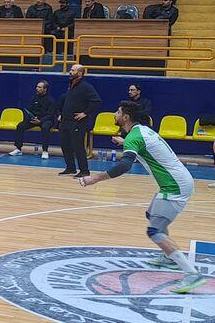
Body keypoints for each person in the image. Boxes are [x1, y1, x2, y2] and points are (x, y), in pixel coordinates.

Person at [77, 101, 204, 294]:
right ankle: (168, 257)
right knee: (151, 215)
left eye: (118, 111)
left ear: (125, 117)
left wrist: (95, 178)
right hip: (177, 181)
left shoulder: (134, 137)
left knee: (155, 231)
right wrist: (124, 143)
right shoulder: (141, 131)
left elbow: (124, 166)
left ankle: (192, 274)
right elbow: (144, 147)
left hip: (174, 186)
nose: (115, 113)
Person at [58, 63, 100, 178]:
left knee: (78, 146)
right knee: (65, 145)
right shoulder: (71, 85)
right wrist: (61, 114)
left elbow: (96, 101)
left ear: (80, 73)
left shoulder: (86, 87)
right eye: (71, 70)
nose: (70, 72)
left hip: (77, 123)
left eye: (73, 70)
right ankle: (70, 168)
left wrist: (85, 113)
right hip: (65, 121)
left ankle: (84, 170)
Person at [9, 80, 56, 159]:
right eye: (37, 87)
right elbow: (29, 110)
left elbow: (50, 115)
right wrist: (31, 118)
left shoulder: (50, 100)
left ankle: (45, 151)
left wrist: (40, 121)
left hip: (45, 120)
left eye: (39, 87)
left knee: (45, 127)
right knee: (20, 126)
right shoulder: (34, 98)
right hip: (34, 119)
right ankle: (18, 149)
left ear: (45, 89)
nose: (37, 88)